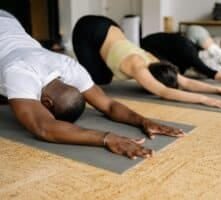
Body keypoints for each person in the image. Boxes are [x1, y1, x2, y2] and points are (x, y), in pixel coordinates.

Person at [0, 10, 185, 160]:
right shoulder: (20, 73)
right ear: (46, 103)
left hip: (9, 22)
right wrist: (106, 138)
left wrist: (143, 121)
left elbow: (110, 105)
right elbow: (44, 127)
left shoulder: (68, 66)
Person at [72, 15, 221, 110]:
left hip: (111, 26)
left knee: (105, 73)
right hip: (86, 28)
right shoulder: (137, 66)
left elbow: (185, 81)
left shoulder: (155, 60)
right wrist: (205, 100)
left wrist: (218, 89)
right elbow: (164, 92)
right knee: (100, 80)